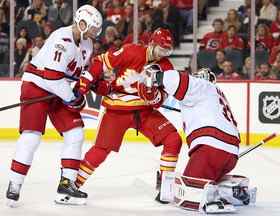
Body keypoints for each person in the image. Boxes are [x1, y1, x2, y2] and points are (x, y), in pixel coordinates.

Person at [6, 5, 103, 206]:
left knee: (75, 133)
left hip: (60, 89)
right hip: (37, 86)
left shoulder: (86, 44)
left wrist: (90, 85)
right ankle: (15, 184)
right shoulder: (62, 39)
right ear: (82, 23)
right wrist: (73, 98)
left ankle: (66, 186)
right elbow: (51, 78)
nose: (95, 32)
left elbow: (76, 75)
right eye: (93, 28)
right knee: (31, 136)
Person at [74, 28, 182, 203]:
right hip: (117, 109)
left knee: (173, 139)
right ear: (152, 44)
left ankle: (166, 185)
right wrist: (87, 80)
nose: (163, 54)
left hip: (145, 112)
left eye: (167, 51)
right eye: (161, 49)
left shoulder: (166, 67)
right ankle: (72, 185)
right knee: (100, 151)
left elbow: (160, 99)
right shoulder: (131, 50)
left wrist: (151, 95)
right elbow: (100, 61)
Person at [138, 67, 257, 214]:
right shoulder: (216, 94)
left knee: (186, 192)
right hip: (230, 155)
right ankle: (233, 190)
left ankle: (214, 199)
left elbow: (174, 78)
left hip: (210, 149)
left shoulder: (201, 86)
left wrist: (153, 75)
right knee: (205, 181)